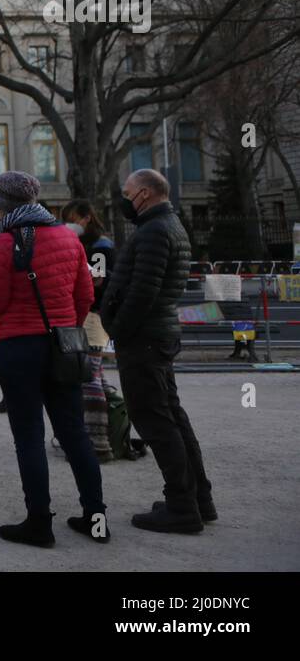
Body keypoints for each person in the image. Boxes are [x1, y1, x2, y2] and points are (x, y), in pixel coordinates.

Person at [0, 171, 106, 547]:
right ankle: (96, 518)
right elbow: (85, 296)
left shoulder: (7, 242)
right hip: (63, 346)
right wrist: (64, 323)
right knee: (74, 433)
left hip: (20, 348)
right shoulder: (69, 241)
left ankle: (39, 522)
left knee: (30, 437)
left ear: (1, 205)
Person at [100, 169, 213, 533]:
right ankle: (198, 499)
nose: (124, 198)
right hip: (156, 335)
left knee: (155, 421)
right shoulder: (168, 226)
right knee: (172, 417)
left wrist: (116, 328)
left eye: (128, 192)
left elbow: (142, 292)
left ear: (145, 194)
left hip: (144, 338)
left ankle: (182, 506)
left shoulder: (154, 231)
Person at [61, 199, 116, 461]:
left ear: (86, 218)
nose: (68, 225)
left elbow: (98, 280)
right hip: (88, 314)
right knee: (96, 375)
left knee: (90, 377)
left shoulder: (100, 246)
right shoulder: (89, 244)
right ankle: (106, 432)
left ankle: (98, 442)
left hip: (93, 315)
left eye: (72, 219)